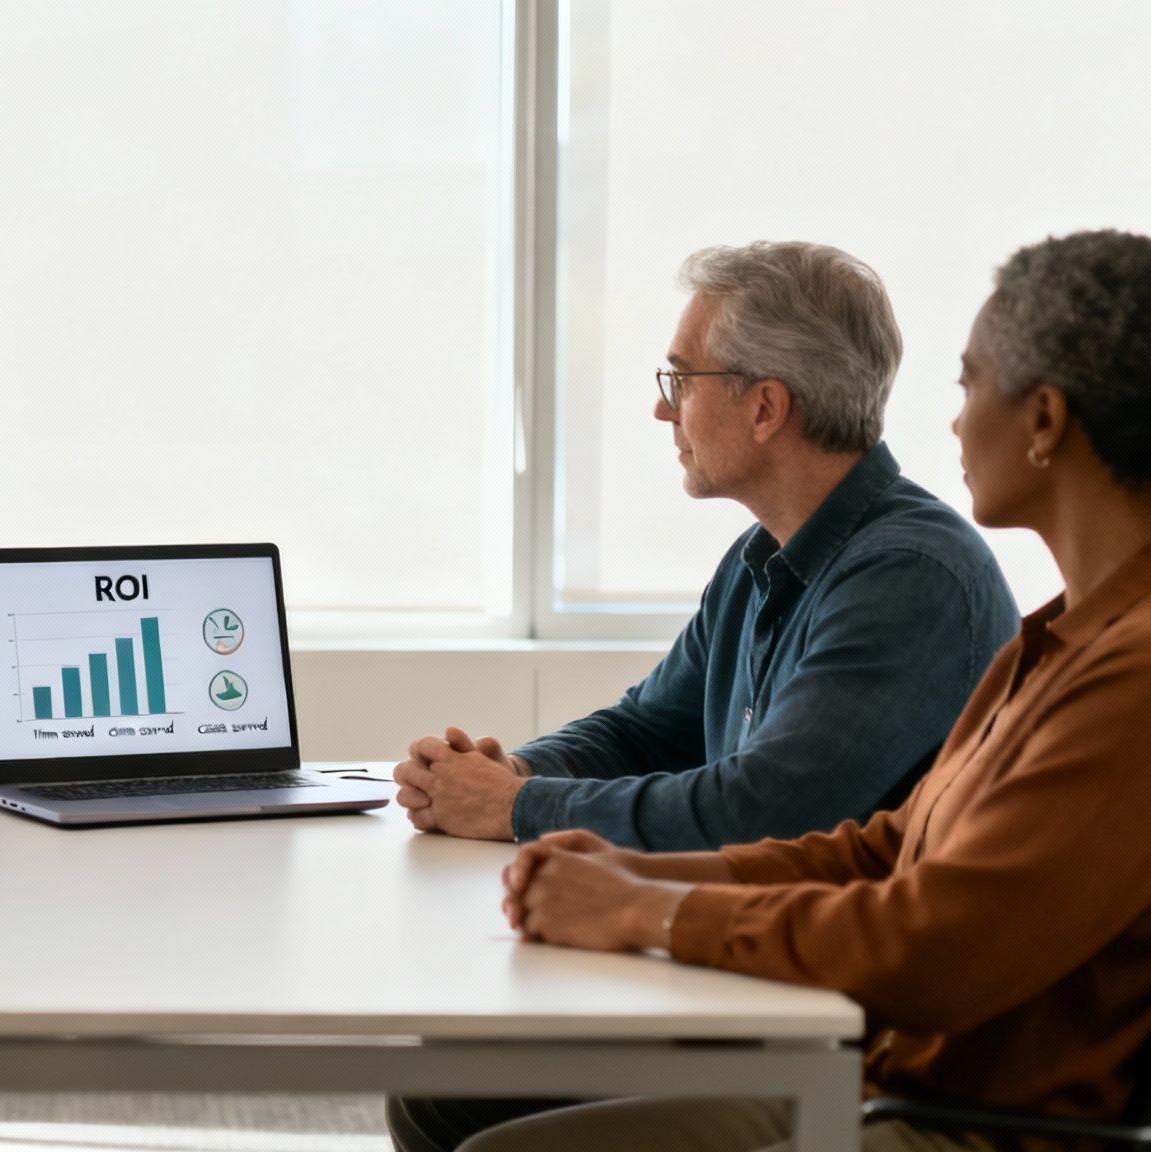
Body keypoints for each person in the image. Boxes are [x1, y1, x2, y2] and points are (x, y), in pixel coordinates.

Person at [461, 229, 1151, 1151]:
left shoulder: (1123, 672)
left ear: (1045, 422)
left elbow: (928, 942)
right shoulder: (1060, 636)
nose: (949, 424)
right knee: (452, 1100)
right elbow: (887, 849)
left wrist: (644, 907)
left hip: (963, 1122)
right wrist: (632, 869)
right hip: (891, 1073)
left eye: (967, 385)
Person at [393, 242, 1018, 852]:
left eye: (681, 380)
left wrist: (510, 807)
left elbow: (760, 813)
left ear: (766, 408)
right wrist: (517, 772)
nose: (663, 410)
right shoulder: (761, 556)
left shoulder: (909, 576)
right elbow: (646, 732)